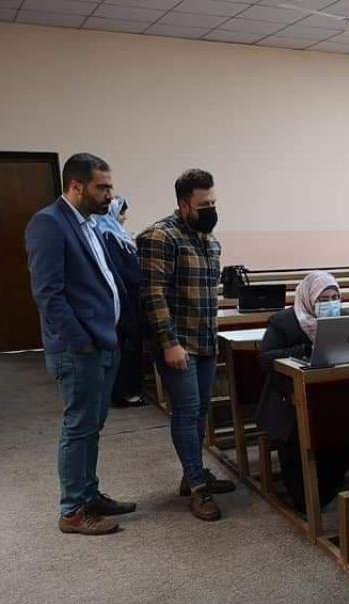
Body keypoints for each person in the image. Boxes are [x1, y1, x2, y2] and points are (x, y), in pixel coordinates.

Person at [25, 152, 136, 535]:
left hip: (104, 341)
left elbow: (102, 278)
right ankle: (73, 510)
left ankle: (89, 494)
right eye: (102, 187)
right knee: (78, 427)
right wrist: (80, 342)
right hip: (79, 349)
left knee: (92, 425)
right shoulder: (48, 223)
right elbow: (48, 294)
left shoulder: (89, 223)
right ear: (76, 186)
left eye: (110, 186)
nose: (110, 195)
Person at [138, 168, 235, 522]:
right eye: (203, 204)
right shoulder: (160, 236)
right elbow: (153, 295)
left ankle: (191, 472)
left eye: (213, 202)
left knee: (201, 410)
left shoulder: (210, 240)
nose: (210, 209)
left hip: (205, 340)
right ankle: (197, 486)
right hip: (178, 343)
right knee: (186, 410)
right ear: (184, 205)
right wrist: (169, 343)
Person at [255, 271, 349, 513]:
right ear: (309, 298)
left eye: (334, 298)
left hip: (332, 397)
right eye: (323, 299)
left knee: (348, 433)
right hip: (289, 398)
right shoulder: (284, 321)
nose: (330, 304)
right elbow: (265, 358)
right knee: (297, 446)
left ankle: (327, 490)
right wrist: (303, 350)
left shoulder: (345, 318)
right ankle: (303, 497)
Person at [95, 196, 146, 408]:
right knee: (126, 346)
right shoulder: (107, 236)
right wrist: (140, 278)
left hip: (133, 297)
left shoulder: (119, 235)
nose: (125, 217)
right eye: (122, 212)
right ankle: (124, 393)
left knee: (133, 346)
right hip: (124, 300)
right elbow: (119, 271)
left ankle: (131, 389)